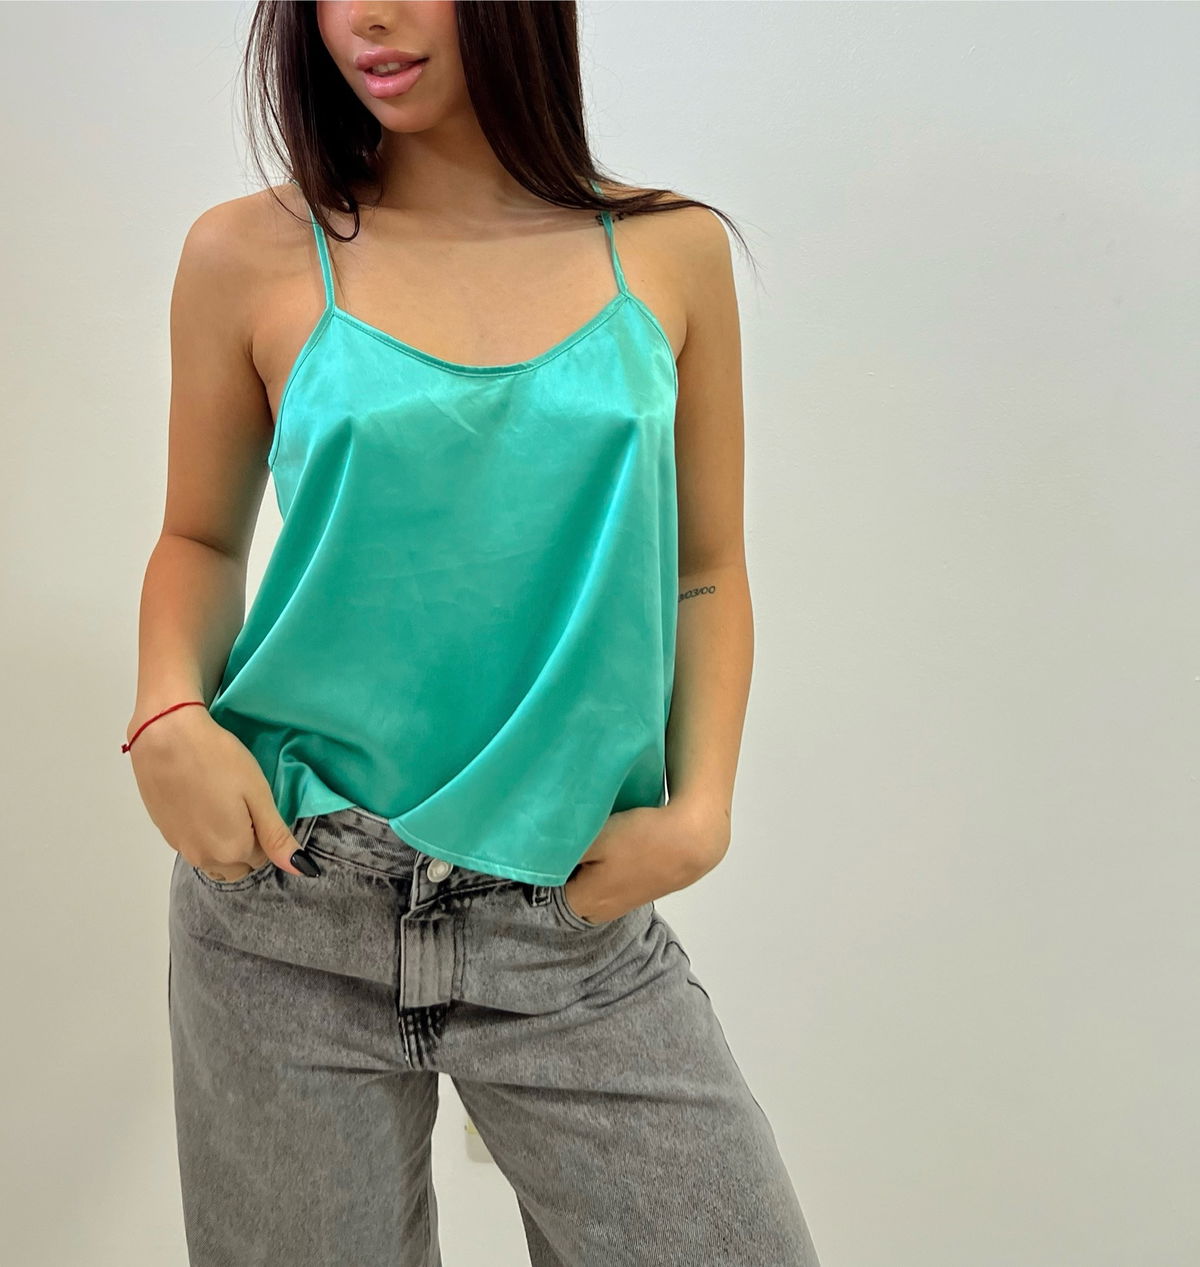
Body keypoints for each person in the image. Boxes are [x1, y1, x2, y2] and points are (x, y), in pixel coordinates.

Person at [123, 2, 822, 1264]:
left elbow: (706, 572)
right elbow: (201, 540)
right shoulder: (247, 252)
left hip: (563, 907)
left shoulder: (666, 250)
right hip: (291, 897)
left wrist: (703, 809)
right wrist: (169, 706)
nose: (369, 19)